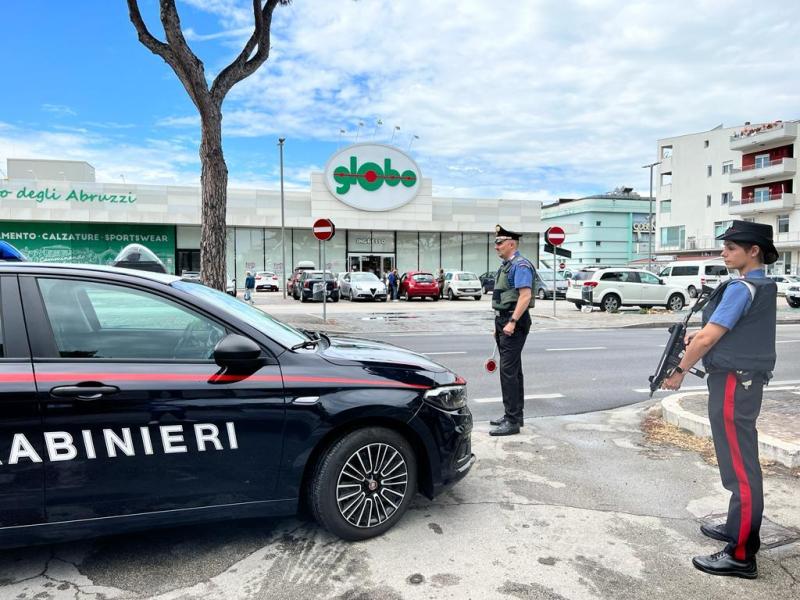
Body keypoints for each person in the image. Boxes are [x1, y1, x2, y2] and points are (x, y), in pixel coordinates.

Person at [661, 220, 778, 580]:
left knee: (739, 467)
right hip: (742, 380)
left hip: (733, 383)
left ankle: (741, 555)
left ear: (752, 250)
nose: (723, 253)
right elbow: (729, 332)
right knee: (738, 461)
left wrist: (679, 370)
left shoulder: (742, 288)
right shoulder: (760, 286)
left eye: (730, 247)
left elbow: (707, 339)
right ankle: (735, 527)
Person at [488, 224, 535, 436]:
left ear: (511, 244)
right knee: (513, 371)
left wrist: (512, 321)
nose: (496, 246)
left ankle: (512, 421)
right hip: (504, 322)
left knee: (508, 372)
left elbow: (525, 295)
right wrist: (497, 325)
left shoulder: (521, 265)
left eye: (499, 242)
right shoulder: (507, 265)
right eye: (496, 242)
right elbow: (502, 298)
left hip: (513, 323)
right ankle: (513, 415)